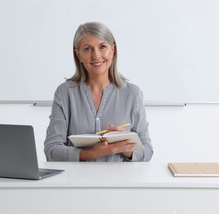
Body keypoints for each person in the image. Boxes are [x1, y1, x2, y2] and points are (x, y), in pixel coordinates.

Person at [44, 22, 153, 162]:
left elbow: (147, 151)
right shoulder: (65, 93)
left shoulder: (132, 94)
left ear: (112, 50)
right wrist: (91, 153)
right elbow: (51, 151)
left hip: (119, 182)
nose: (96, 56)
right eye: (88, 49)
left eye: (102, 47)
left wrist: (125, 147)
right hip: (75, 181)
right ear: (78, 55)